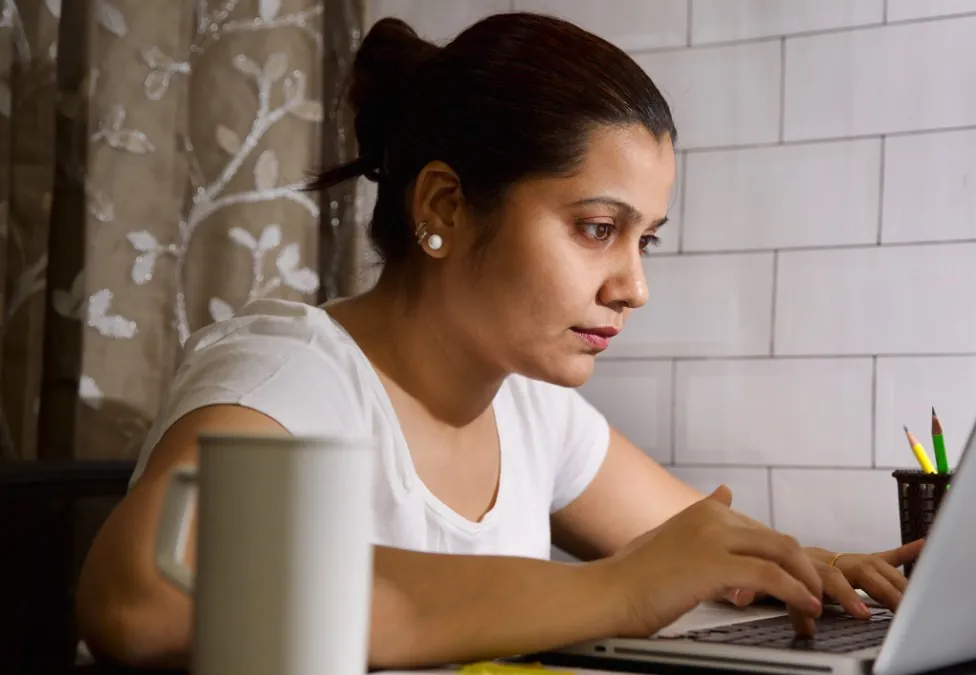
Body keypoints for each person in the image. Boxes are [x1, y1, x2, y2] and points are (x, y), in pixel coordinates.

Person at [75, 12, 922, 670]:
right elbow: (138, 596)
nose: (633, 285)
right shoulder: (288, 369)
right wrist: (613, 591)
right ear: (444, 207)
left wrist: (829, 572)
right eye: (597, 228)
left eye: (645, 239)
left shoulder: (533, 407)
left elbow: (703, 552)